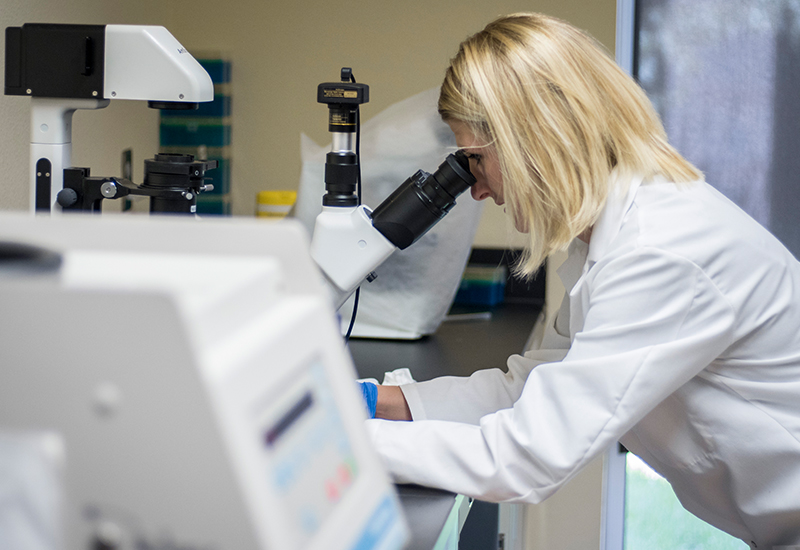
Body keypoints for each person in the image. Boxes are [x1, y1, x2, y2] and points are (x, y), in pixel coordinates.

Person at [358, 12, 800, 549]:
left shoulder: (661, 252)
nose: (475, 190)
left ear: (532, 138)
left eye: (475, 160)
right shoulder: (621, 233)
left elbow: (525, 458)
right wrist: (377, 401)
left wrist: (338, 441)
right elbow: (533, 388)